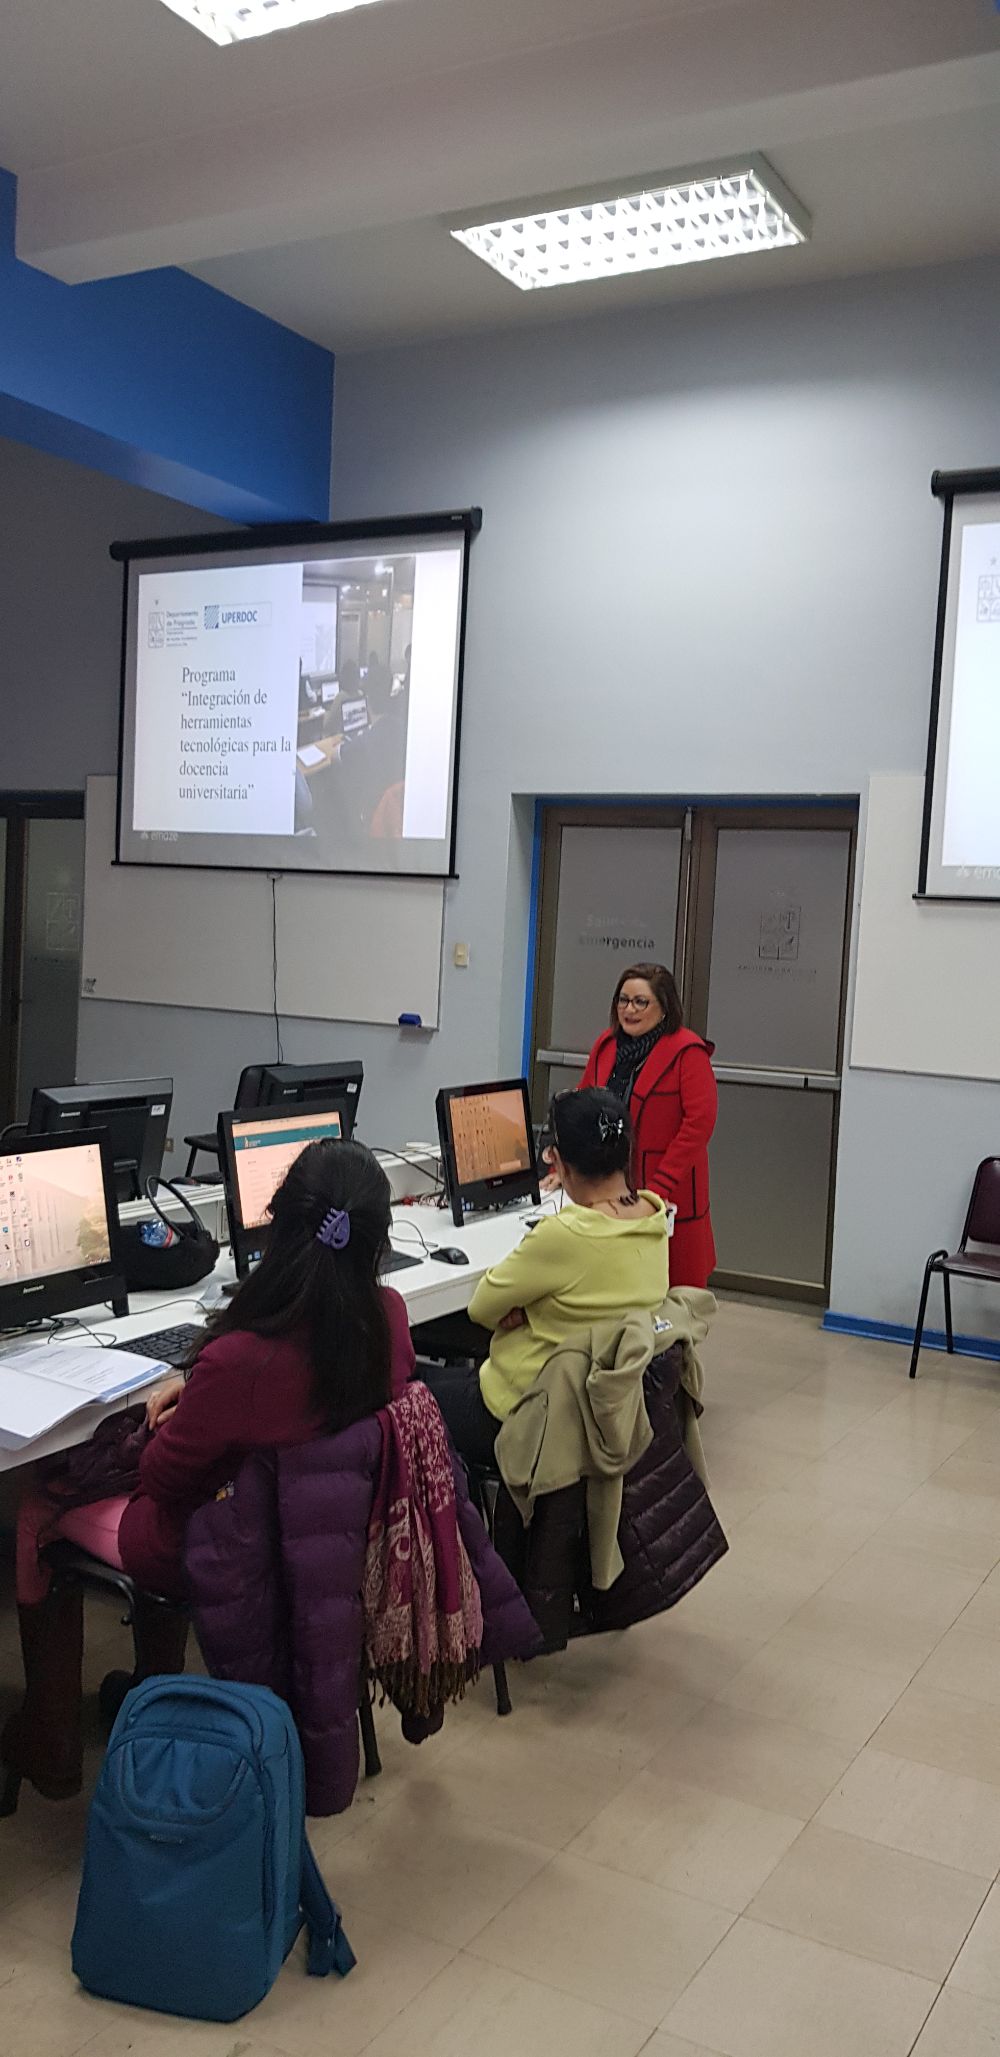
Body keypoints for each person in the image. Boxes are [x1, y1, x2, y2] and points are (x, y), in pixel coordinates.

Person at [421, 1087, 669, 1472]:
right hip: (594, 1410)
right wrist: (540, 1310)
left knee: (404, 1394)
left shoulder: (565, 1234)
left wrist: (530, 1311)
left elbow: (482, 1307)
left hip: (525, 1413)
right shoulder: (653, 1219)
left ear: (562, 1165)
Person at [580, 962, 718, 1288]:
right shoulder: (606, 1045)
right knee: (613, 1287)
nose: (629, 1010)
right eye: (623, 1000)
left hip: (667, 1191)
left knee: (671, 1295)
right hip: (607, 1189)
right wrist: (566, 1165)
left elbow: (698, 1125)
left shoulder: (687, 1052)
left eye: (640, 1002)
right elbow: (582, 1108)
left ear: (664, 1007)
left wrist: (658, 1189)